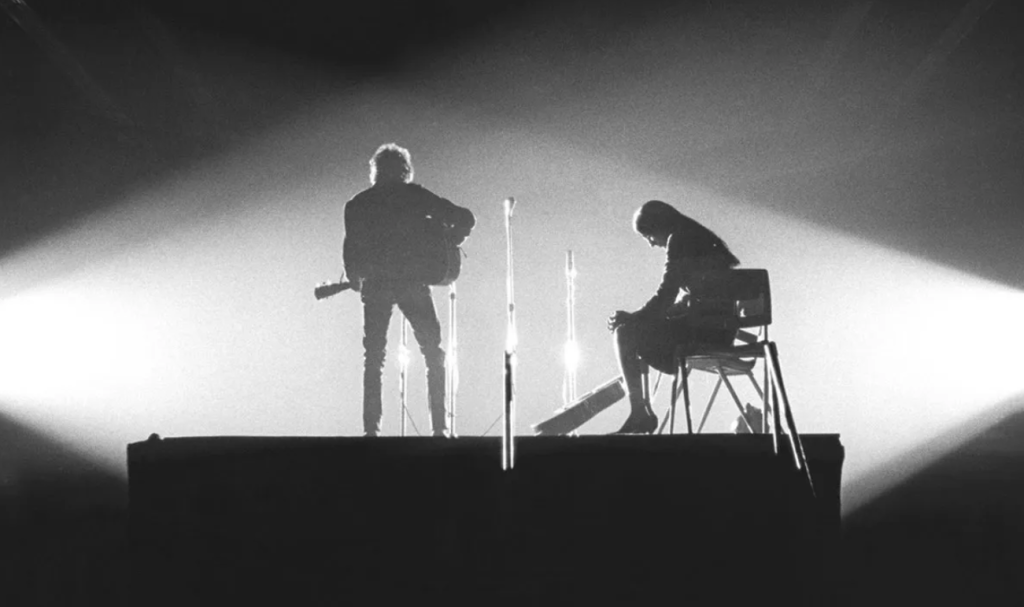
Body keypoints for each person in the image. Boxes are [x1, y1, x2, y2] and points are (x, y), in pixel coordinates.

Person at [342, 143, 475, 437]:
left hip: (376, 284)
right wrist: (450, 240)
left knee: (374, 357)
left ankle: (371, 431)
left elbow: (350, 250)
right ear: (404, 170)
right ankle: (440, 428)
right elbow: (466, 218)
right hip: (412, 282)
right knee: (432, 353)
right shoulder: (416, 196)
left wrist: (355, 277)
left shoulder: (357, 204)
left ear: (375, 170)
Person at [607, 200, 740, 434]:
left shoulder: (680, 239)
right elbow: (691, 300)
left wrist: (634, 318)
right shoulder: (700, 236)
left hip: (703, 333)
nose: (650, 243)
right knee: (635, 328)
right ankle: (641, 413)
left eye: (647, 235)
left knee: (625, 333)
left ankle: (640, 413)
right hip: (722, 331)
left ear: (658, 226)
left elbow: (666, 294)